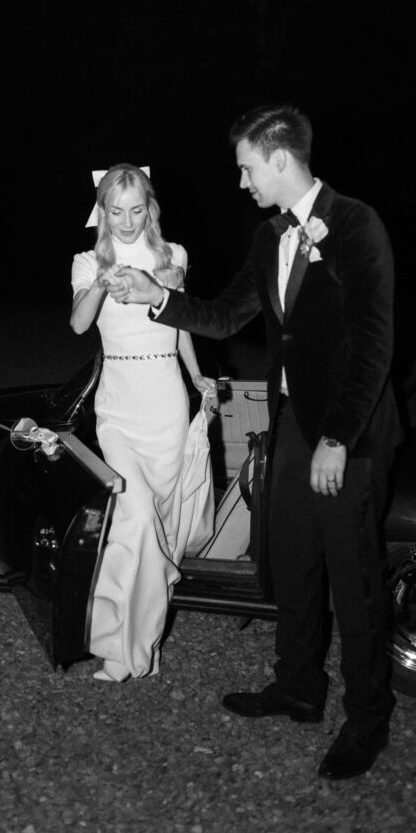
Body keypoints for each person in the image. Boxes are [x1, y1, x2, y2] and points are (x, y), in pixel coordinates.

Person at [112, 105, 402, 779]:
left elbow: (372, 344)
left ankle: (367, 719)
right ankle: (298, 687)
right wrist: (153, 297)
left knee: (353, 582)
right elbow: (223, 314)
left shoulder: (356, 224)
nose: (240, 182)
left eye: (245, 167)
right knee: (292, 562)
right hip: (295, 426)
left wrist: (337, 437)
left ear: (278, 158)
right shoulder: (268, 235)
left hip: (347, 436)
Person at [70, 163, 216, 683]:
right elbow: (79, 323)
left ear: (148, 207)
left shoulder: (172, 256)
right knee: (131, 518)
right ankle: (117, 648)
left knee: (158, 530)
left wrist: (198, 377)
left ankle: (144, 645)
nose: (127, 221)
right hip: (118, 410)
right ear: (102, 211)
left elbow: (180, 327)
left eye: (136, 209)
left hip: (166, 404)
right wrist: (104, 286)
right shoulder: (87, 261)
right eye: (116, 210)